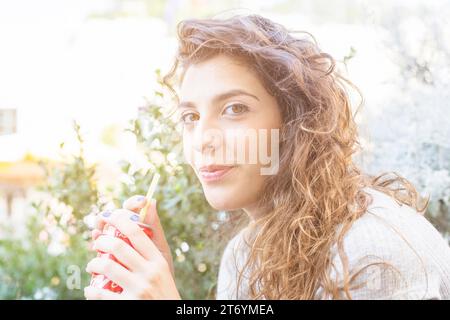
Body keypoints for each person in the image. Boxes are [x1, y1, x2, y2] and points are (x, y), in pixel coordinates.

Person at [84, 14, 450, 300]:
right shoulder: (244, 254)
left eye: (235, 108)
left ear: (294, 123)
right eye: (190, 117)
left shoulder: (372, 253)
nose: (203, 140)